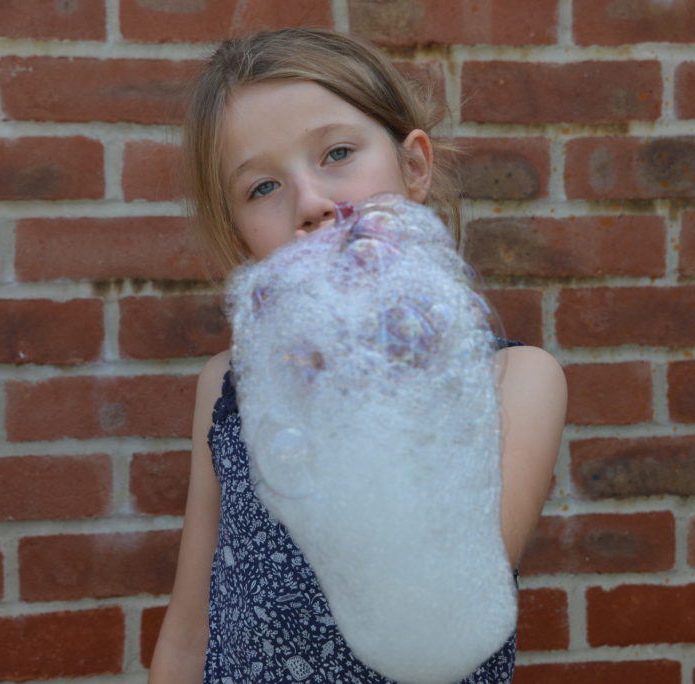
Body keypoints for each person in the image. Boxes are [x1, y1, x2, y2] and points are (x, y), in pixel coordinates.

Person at [148, 27, 566, 683]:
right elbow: (188, 632)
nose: (312, 203)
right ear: (240, 237)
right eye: (262, 188)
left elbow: (445, 613)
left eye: (337, 153)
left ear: (415, 167)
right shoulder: (228, 386)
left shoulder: (518, 379)